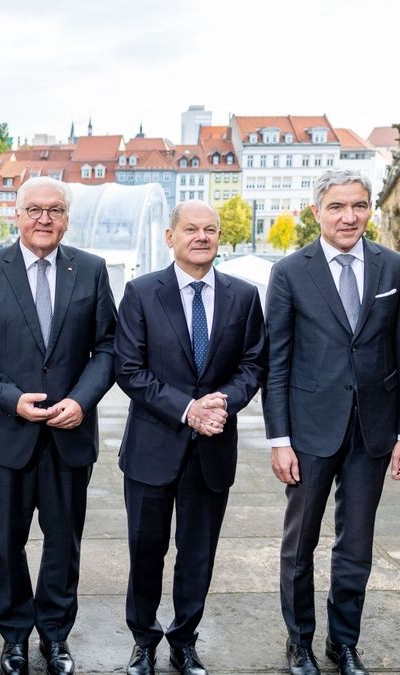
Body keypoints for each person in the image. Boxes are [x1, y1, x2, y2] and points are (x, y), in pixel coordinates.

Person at [0, 176, 117, 675]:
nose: (44, 219)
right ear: (17, 215)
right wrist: (11, 399)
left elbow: (108, 348)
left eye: (55, 210)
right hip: (3, 436)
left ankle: (55, 636)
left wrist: (82, 401)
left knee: (64, 545)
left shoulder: (89, 269)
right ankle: (15, 637)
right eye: (34, 210)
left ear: (66, 218)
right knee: (5, 544)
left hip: (68, 436)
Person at [263, 169, 400, 675]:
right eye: (337, 207)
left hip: (373, 430)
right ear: (317, 213)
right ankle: (300, 642)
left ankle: (343, 642)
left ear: (370, 208)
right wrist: (279, 440)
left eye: (358, 205)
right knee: (300, 543)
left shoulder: (394, 268)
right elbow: (277, 362)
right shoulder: (290, 272)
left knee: (356, 544)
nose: (348, 216)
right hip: (309, 430)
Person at [114, 201, 267, 675]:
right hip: (153, 447)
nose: (201, 237)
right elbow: (128, 369)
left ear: (220, 237)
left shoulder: (243, 296)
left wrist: (222, 403)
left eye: (210, 230)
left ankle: (184, 640)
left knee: (198, 552)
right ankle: (143, 640)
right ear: (170, 236)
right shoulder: (141, 293)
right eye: (191, 229)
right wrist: (187, 409)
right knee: (146, 550)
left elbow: (253, 363)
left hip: (213, 449)